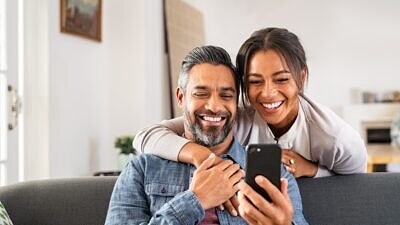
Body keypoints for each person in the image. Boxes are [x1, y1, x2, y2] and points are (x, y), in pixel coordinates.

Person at [105, 46, 308, 225]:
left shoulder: (276, 175)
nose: (214, 106)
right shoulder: (142, 169)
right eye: (201, 94)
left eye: (226, 95)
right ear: (181, 97)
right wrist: (196, 200)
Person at [133, 27, 367, 178]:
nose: (267, 94)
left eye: (282, 79)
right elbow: (146, 136)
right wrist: (201, 155)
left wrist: (311, 170)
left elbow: (357, 183)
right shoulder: (237, 118)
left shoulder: (334, 137)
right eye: (255, 81)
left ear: (301, 77)